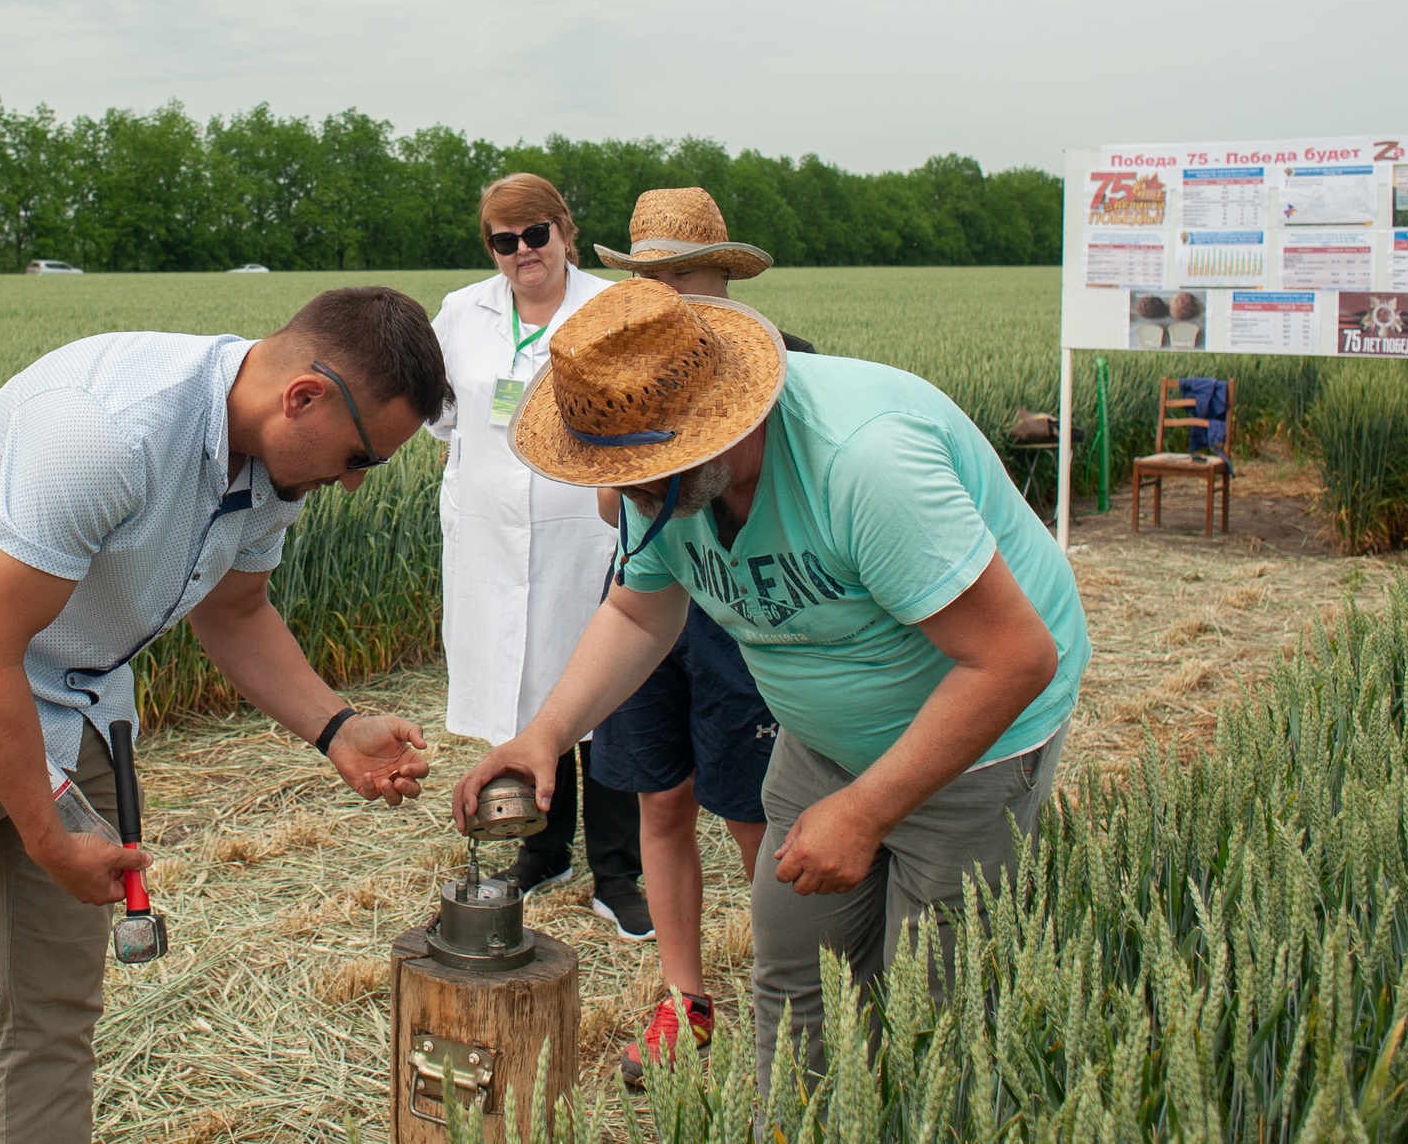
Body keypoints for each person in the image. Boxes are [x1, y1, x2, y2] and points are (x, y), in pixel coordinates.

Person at [0, 287, 451, 1144]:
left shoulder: (273, 464)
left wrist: (337, 727)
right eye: (360, 457)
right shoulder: (109, 429)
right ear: (303, 395)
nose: (350, 482)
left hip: (81, 704)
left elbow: (234, 612)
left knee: (57, 1017)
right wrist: (48, 839)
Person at [450, 277, 1089, 1091]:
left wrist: (865, 809)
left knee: (935, 1016)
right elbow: (642, 613)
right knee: (793, 982)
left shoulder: (865, 463)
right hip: (820, 740)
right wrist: (545, 732)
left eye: (648, 476)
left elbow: (1011, 659)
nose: (626, 501)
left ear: (721, 426)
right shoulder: (657, 478)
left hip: (976, 740)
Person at [582, 189, 812, 1085]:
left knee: (755, 810)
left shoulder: (780, 366)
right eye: (650, 277)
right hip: (646, 597)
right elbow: (609, 501)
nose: (669, 291)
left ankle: (780, 994)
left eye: (687, 275)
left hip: (743, 610)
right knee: (661, 800)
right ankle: (686, 999)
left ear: (729, 277)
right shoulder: (622, 360)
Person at [424, 173, 644, 933]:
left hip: (588, 529)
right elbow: (443, 413)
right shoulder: (461, 311)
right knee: (522, 685)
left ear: (564, 230)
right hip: (489, 536)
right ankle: (544, 849)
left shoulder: (608, 306)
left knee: (600, 695)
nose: (522, 253)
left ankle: (620, 870)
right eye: (504, 241)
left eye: (535, 235)